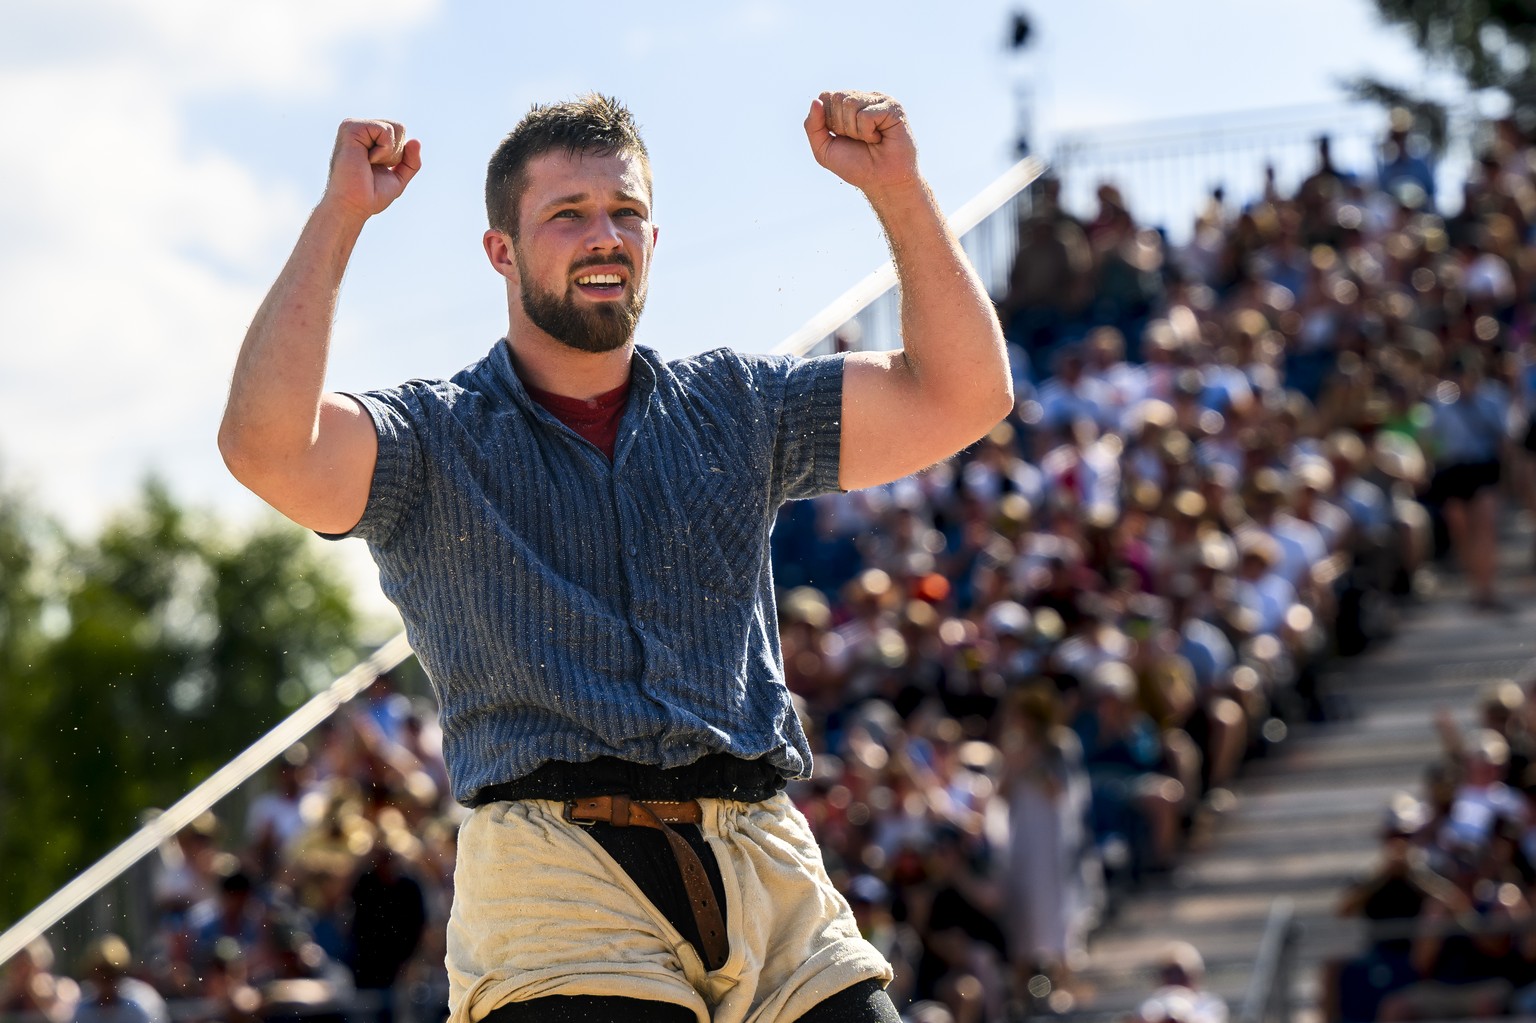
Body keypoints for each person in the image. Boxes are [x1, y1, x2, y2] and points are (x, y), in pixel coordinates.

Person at [218, 91, 1012, 1023]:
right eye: (568, 215)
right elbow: (267, 446)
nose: (605, 236)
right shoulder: (431, 438)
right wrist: (339, 217)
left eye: (625, 213)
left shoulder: (734, 404)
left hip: (763, 856)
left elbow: (966, 394)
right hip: (555, 874)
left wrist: (900, 190)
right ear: (500, 252)